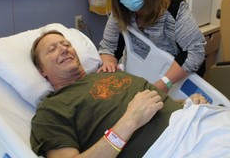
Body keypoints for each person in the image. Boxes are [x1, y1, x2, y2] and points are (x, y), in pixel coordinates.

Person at [30, 30, 207, 158]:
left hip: (197, 124)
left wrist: (183, 104)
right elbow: (135, 111)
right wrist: (129, 122)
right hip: (172, 149)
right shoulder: (51, 110)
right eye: (52, 49)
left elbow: (146, 105)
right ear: (41, 70)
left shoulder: (109, 73)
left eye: (66, 44)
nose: (63, 49)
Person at [98, 0, 206, 94]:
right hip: (144, 75)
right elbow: (109, 47)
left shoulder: (174, 7)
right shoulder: (120, 11)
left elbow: (194, 51)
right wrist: (108, 62)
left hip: (179, 78)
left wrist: (165, 83)